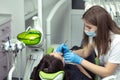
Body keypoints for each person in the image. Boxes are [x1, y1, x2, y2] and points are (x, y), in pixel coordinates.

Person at [56, 5, 120, 80]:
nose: (85, 30)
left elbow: (107, 72)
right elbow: (85, 52)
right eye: (85, 26)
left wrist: (79, 60)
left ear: (101, 27)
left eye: (89, 27)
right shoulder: (97, 36)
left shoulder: (117, 42)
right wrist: (69, 52)